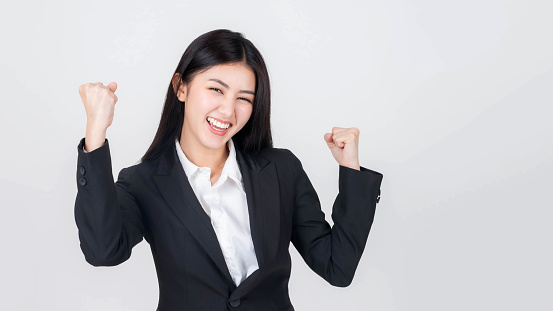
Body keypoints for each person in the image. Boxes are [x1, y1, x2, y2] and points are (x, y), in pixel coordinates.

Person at [74, 29, 383, 311]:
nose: (227, 110)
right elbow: (103, 251)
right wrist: (96, 133)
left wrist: (350, 169)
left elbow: (336, 267)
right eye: (216, 89)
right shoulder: (143, 182)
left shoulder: (280, 170)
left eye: (243, 98)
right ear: (181, 88)